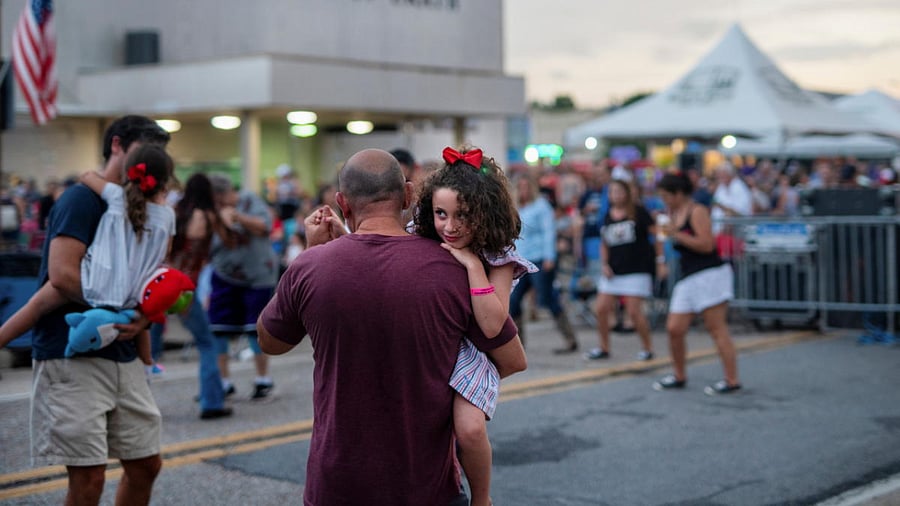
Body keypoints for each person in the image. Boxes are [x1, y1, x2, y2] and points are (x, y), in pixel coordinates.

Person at [257, 148, 527, 505]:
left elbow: (270, 341)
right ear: (411, 196)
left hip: (337, 486)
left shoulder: (309, 267)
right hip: (427, 488)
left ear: (343, 203)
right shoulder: (453, 270)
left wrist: (312, 253)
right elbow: (511, 359)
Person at [21, 115, 169, 506]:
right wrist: (121, 306)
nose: (152, 161)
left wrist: (143, 313)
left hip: (123, 355)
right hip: (73, 355)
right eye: (144, 151)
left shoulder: (148, 208)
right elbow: (64, 276)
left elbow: (149, 277)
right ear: (118, 145)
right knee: (88, 480)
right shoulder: (81, 199)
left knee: (146, 465)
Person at [413, 146, 535, 506]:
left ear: (485, 214)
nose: (449, 226)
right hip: (431, 344)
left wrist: (471, 265)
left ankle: (481, 499)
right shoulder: (420, 239)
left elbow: (493, 322)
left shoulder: (497, 258)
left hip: (472, 352)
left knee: (468, 429)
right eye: (440, 214)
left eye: (462, 215)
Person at [0, 144, 177, 376]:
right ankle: (148, 362)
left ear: (129, 172)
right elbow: (164, 256)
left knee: (36, 306)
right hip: (131, 292)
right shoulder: (168, 216)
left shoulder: (116, 196)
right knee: (138, 325)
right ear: (166, 181)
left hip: (95, 277)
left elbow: (86, 177)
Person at [652, 171, 742, 395]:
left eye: (667, 196)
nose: (664, 201)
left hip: (709, 274)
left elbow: (707, 244)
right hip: (688, 275)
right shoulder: (673, 213)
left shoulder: (697, 211)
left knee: (716, 327)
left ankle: (731, 379)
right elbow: (665, 240)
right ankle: (679, 374)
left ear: (679, 193)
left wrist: (677, 234)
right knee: (674, 328)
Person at [154, 173, 234, 419]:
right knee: (206, 342)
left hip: (161, 282)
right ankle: (211, 402)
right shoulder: (210, 216)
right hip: (183, 288)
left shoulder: (177, 212)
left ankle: (135, 406)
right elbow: (230, 240)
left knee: (147, 348)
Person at [207, 174, 279, 399]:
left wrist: (237, 217)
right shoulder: (209, 211)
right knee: (219, 329)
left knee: (254, 329)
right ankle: (224, 382)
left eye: (219, 199)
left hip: (257, 276)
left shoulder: (248, 200)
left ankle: (262, 379)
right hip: (225, 276)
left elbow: (264, 226)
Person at [586, 178, 663, 361]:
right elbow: (604, 243)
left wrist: (661, 260)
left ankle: (647, 347)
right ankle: (603, 347)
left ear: (627, 193)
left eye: (619, 191)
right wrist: (604, 264)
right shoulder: (607, 215)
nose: (616, 195)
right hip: (614, 269)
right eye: (612, 192)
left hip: (637, 268)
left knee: (634, 312)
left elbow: (657, 234)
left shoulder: (638, 212)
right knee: (602, 308)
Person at [509, 172, 579, 353]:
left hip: (539, 258)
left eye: (526, 187)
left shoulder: (541, 206)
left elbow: (549, 232)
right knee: (513, 301)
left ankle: (570, 339)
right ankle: (518, 345)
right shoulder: (516, 207)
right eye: (520, 187)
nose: (523, 191)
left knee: (548, 299)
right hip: (520, 261)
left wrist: (550, 257)